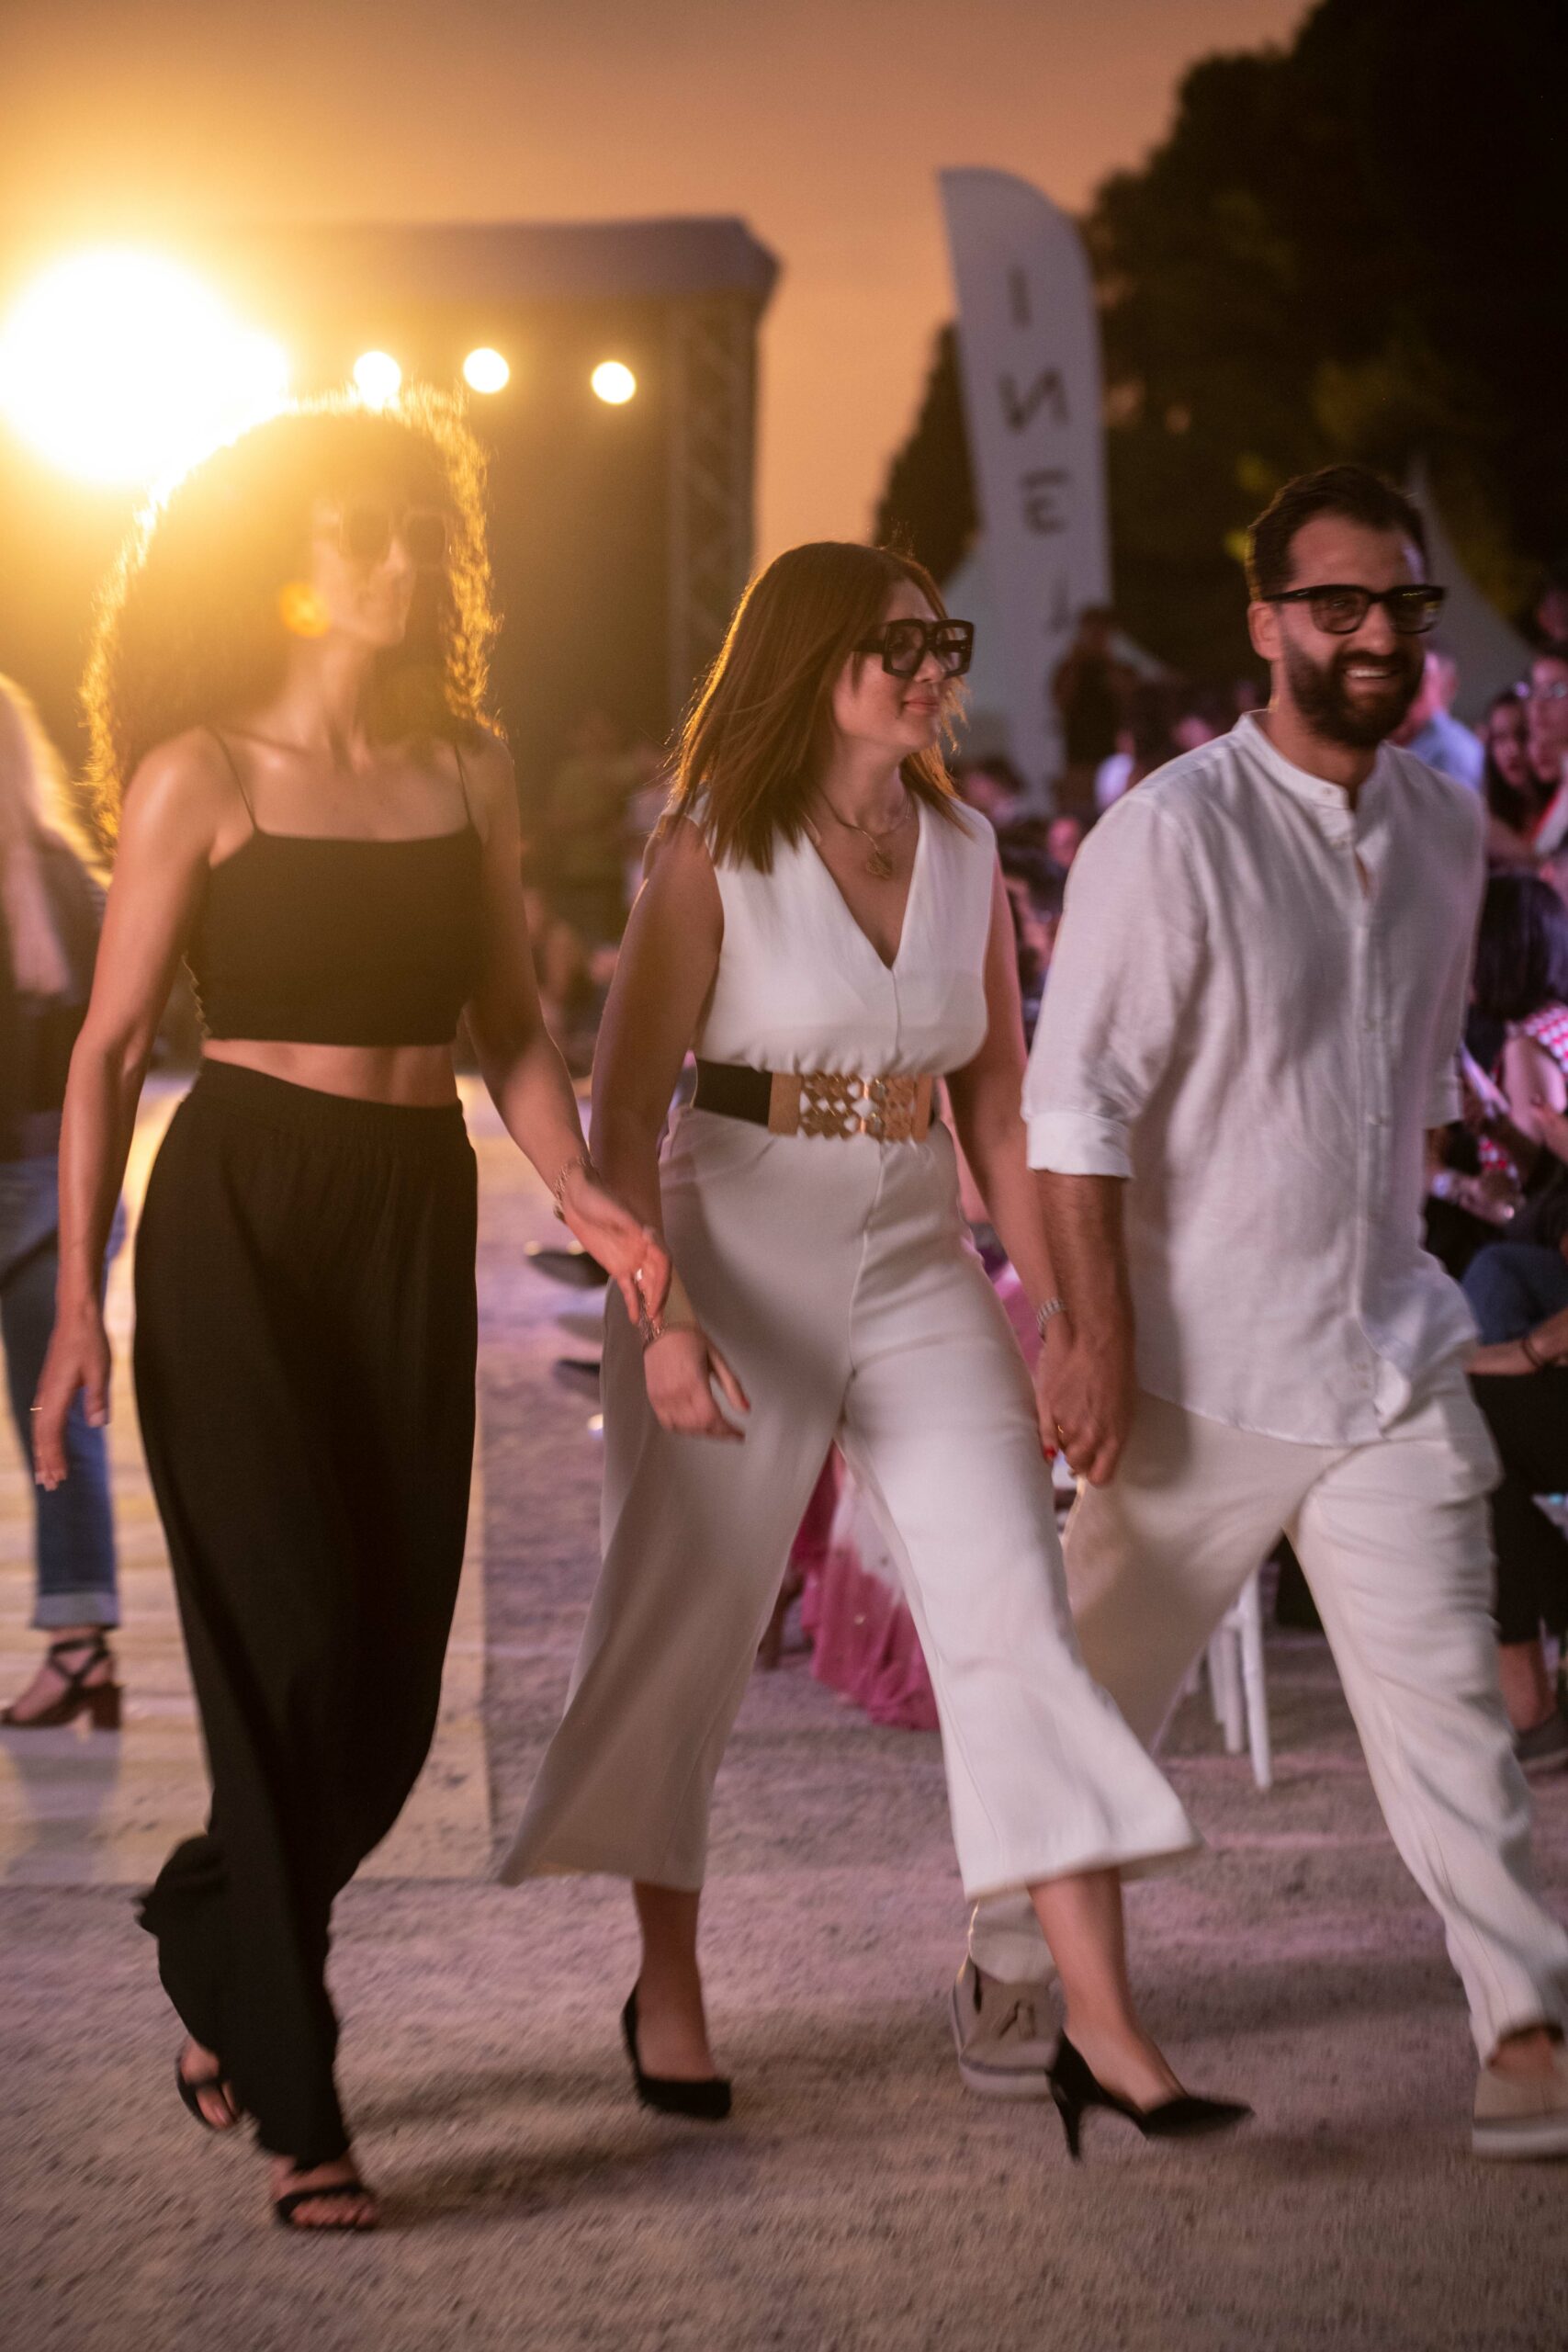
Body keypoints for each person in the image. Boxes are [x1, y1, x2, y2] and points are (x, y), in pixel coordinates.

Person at [504, 542, 1248, 2157]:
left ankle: (1101, 2026)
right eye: (893, 648)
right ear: (808, 661)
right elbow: (621, 1117)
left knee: (1017, 1619)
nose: (928, 673)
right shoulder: (708, 849)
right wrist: (661, 1317)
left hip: (915, 1261)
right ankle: (666, 1985)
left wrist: (1061, 1307)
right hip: (729, 1253)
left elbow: (998, 1102)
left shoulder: (969, 850)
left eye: (938, 644)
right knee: (681, 1628)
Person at [31, 395, 663, 2232]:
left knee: (386, 1685)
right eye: (355, 535)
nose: (397, 563)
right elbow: (105, 1050)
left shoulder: (469, 766)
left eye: (417, 534)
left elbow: (508, 1024)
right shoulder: (199, 775)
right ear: (283, 570)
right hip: (238, 1214)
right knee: (285, 1638)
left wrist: (588, 1195)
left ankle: (210, 1926)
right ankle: (303, 2105)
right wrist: (73, 1298)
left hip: (405, 1207)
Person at [954, 464, 1568, 2160]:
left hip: (1383, 1355)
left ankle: (1521, 2026)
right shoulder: (1171, 834)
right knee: (1092, 1700)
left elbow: (1407, 1093)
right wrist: (1090, 1340)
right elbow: (1073, 1111)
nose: (1374, 633)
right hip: (1191, 1371)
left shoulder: (1440, 830)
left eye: (1400, 605)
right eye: (1336, 604)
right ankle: (1012, 1946)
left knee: (1452, 1718)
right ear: (1266, 625)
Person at [0, 678, 120, 1728]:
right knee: (60, 1418)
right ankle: (81, 1649)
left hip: (23, 1181)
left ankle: (81, 1654)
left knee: (55, 1413)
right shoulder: (74, 882)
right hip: (70, 1181)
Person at [1052, 607, 1133, 818]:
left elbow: (1128, 697)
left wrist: (1106, 661)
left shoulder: (1119, 668)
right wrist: (1077, 662)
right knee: (1079, 816)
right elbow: (1061, 700)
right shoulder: (1069, 669)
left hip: (1113, 759)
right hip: (1080, 759)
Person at [1392, 639, 1484, 790]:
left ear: (1450, 685)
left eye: (1422, 678)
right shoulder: (1399, 737)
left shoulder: (1454, 750)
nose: (1409, 686)